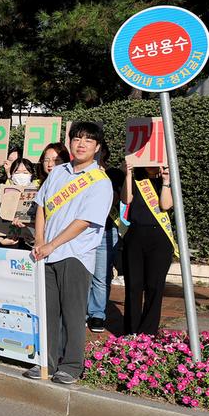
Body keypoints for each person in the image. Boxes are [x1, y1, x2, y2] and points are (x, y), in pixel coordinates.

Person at [29, 121, 114, 385]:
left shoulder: (101, 181)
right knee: (49, 311)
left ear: (97, 147)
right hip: (47, 253)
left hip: (76, 254)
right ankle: (48, 362)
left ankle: (73, 365)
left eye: (88, 140)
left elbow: (85, 221)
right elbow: (42, 206)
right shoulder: (58, 172)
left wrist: (52, 244)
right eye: (77, 138)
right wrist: (41, 241)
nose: (81, 144)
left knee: (74, 313)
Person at [120, 163, 175, 336]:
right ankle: (131, 330)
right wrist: (127, 175)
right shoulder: (136, 180)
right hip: (135, 235)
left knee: (154, 286)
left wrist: (166, 181)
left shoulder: (167, 181)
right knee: (133, 285)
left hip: (160, 238)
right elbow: (125, 199)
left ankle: (148, 332)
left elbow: (165, 205)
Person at [86, 139, 124, 333]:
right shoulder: (81, 174)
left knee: (101, 276)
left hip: (106, 231)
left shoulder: (114, 174)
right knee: (84, 275)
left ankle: (97, 314)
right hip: (82, 230)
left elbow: (116, 200)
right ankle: (82, 311)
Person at [0, 157, 36, 250]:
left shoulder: (38, 196)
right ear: (11, 175)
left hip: (30, 247)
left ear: (31, 175)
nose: (21, 175)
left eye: (25, 173)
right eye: (17, 172)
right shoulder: (3, 194)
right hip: (7, 245)